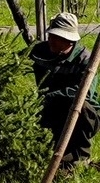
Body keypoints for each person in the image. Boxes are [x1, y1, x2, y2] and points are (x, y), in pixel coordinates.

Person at [31, 13, 95, 168]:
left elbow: (84, 92)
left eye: (57, 37)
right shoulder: (40, 50)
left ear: (69, 41)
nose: (51, 40)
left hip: (78, 111)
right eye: (51, 35)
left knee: (83, 106)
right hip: (47, 107)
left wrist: (53, 95)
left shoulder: (85, 59)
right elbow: (15, 63)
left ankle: (79, 157)